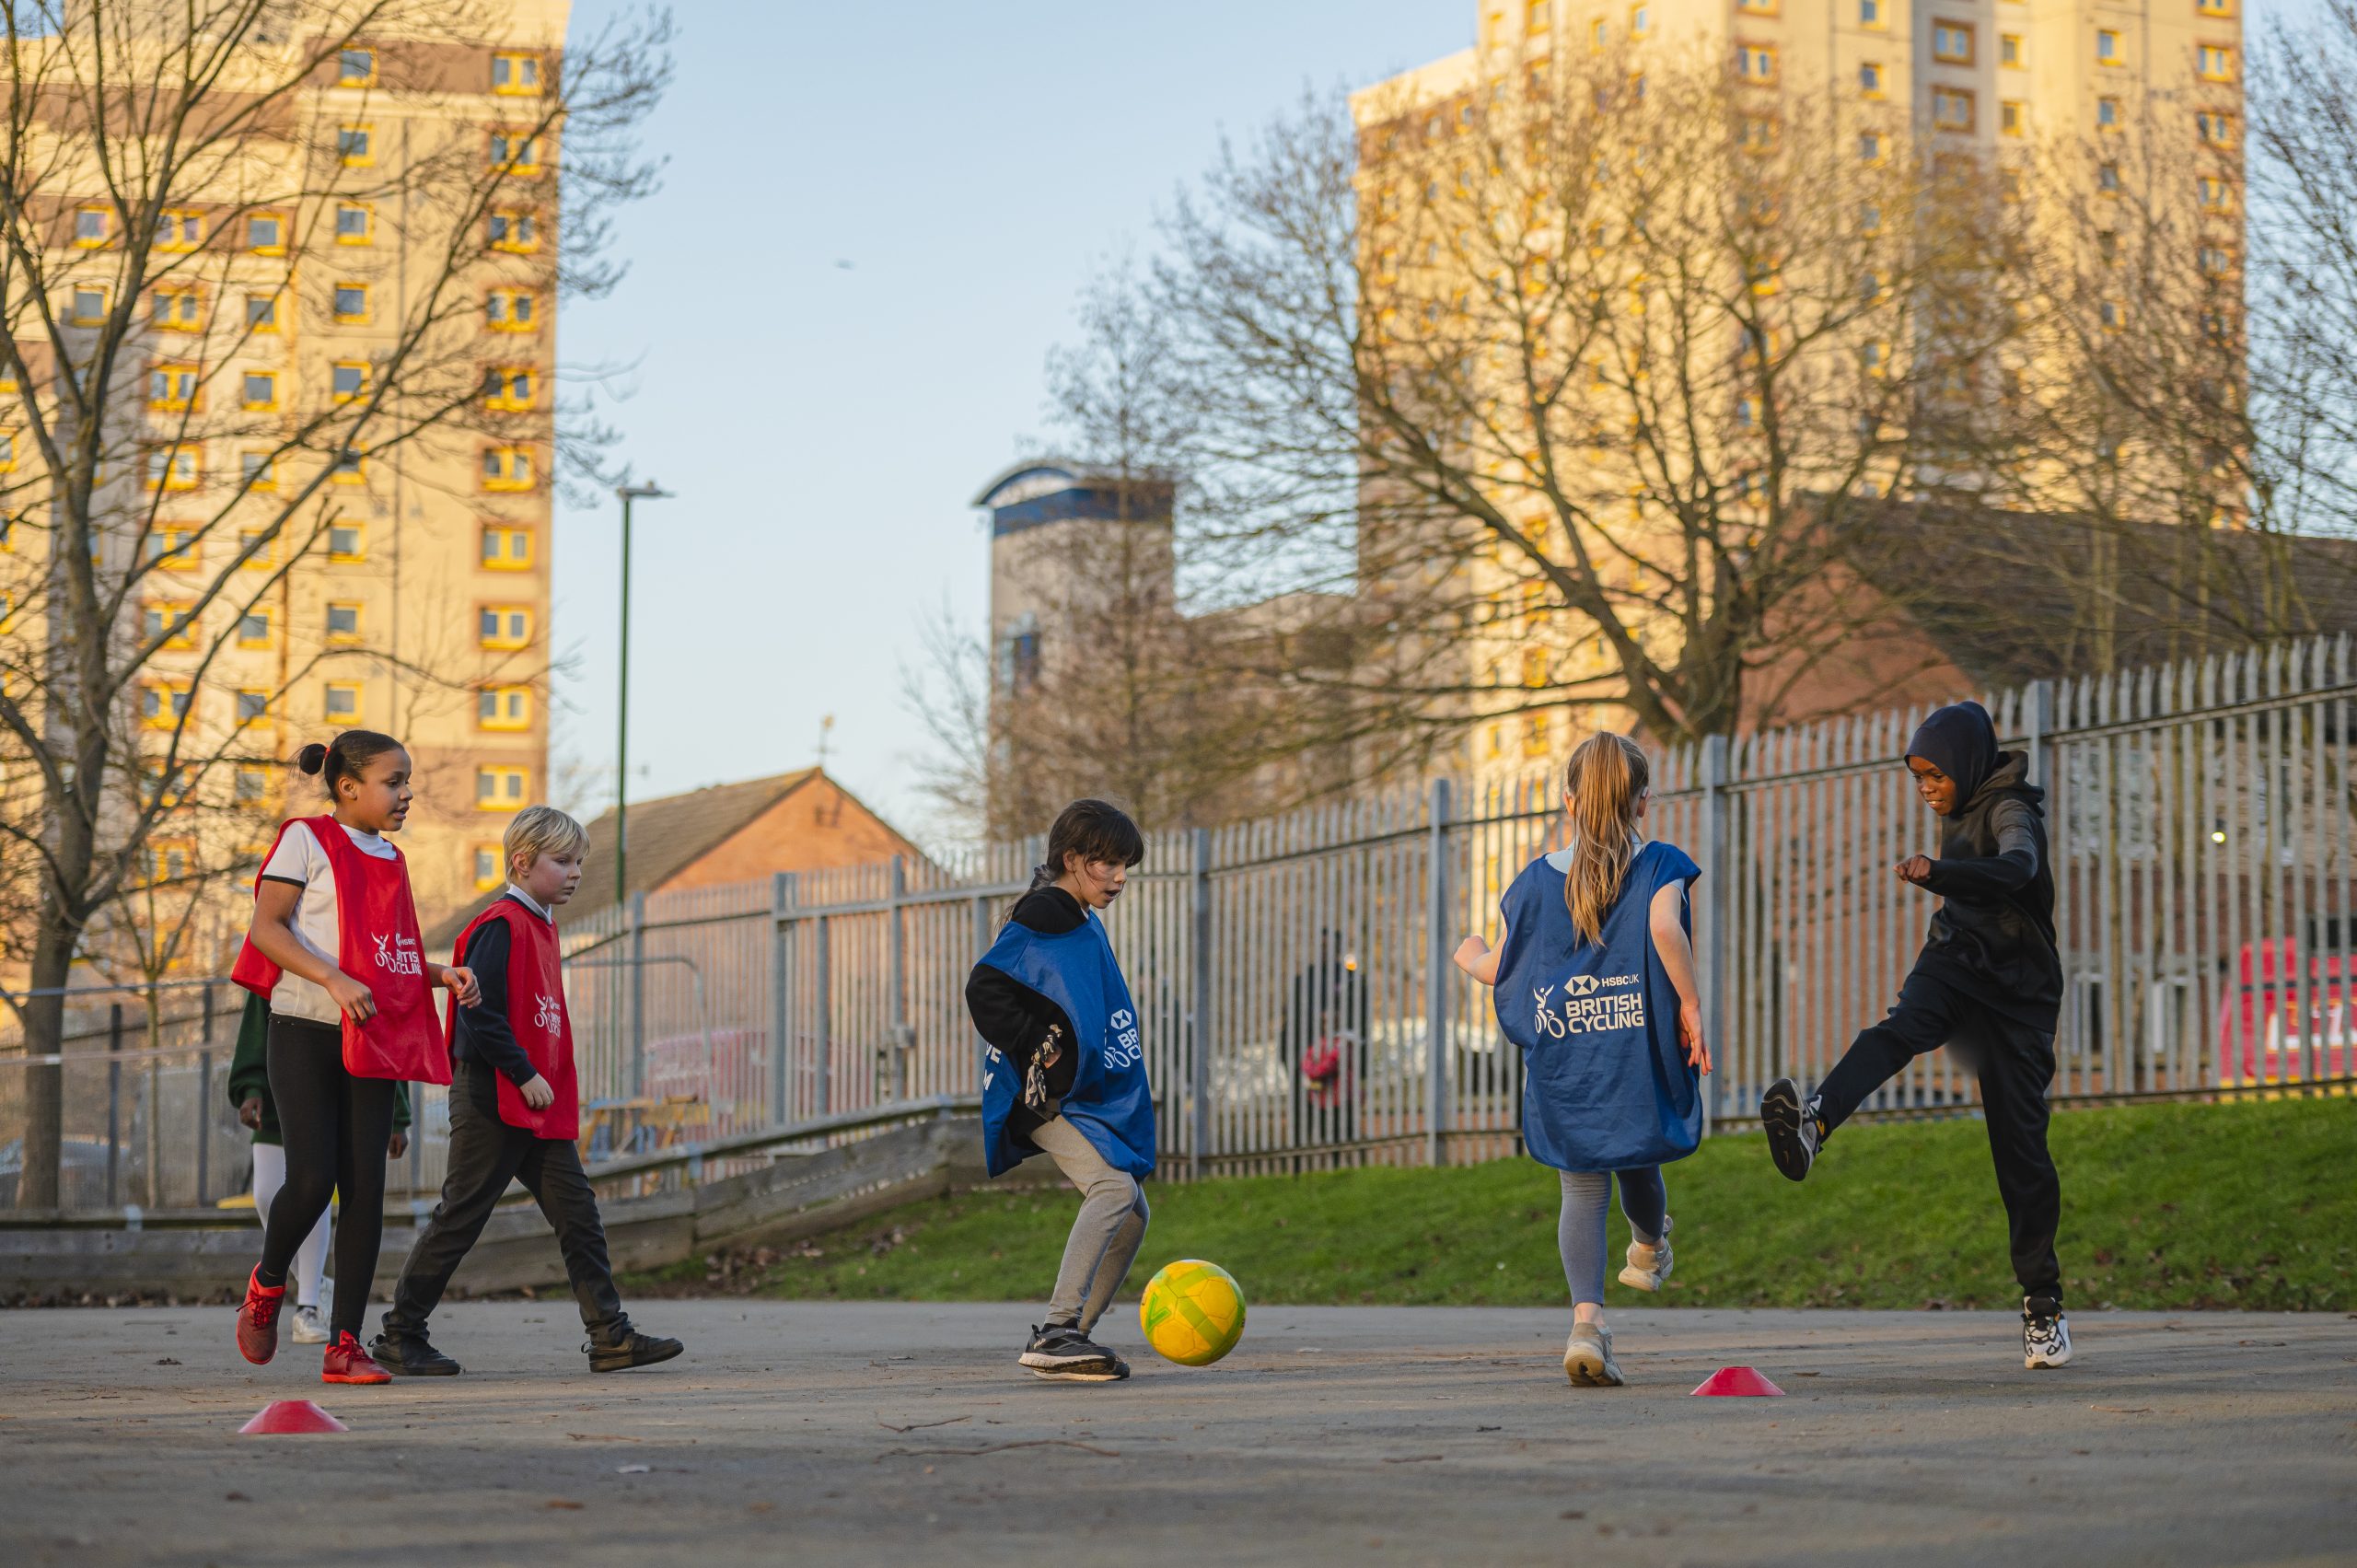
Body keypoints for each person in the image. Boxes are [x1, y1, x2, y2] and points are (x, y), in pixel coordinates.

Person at [1759, 700, 2071, 1370]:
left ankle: (2042, 1306)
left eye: (1936, 775)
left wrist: (1943, 872)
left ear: (1966, 763)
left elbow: (2016, 868)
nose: (1927, 788)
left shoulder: (2012, 809)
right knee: (1898, 1029)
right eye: (1917, 778)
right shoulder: (1957, 808)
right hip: (1955, 960)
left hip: (2018, 995)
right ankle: (1814, 1122)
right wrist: (1945, 883)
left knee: (2019, 1150)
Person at [372, 807, 682, 1376]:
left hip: (531, 1102)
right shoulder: (500, 924)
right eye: (562, 861)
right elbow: (478, 1016)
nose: (575, 873)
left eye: (579, 862)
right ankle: (400, 1333)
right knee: (461, 1215)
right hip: (494, 1094)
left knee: (578, 1213)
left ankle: (610, 1335)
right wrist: (524, 1073)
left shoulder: (540, 924)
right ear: (522, 862)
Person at [1454, 733, 1712, 1388]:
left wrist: (1470, 953)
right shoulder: (1660, 864)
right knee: (1638, 1155)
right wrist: (1689, 1003)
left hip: (1568, 1054)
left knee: (1580, 1183)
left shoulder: (1534, 882)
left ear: (1569, 800)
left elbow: (1504, 967)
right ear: (1643, 802)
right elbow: (1662, 929)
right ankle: (1649, 1247)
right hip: (1632, 1047)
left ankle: (1587, 1324)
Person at [228, 731, 474, 1385]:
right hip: (305, 1028)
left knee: (364, 1190)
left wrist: (436, 974)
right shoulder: (304, 839)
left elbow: (385, 962)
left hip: (370, 1032)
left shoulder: (391, 858)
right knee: (312, 1179)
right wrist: (332, 978)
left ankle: (344, 1344)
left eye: (407, 782)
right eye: (394, 781)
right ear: (348, 786)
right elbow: (267, 929)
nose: (406, 794)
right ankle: (268, 1283)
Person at [964, 800, 1155, 1382]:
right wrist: (1036, 1041)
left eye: (1126, 865)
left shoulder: (1073, 912)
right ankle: (1058, 1330)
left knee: (1131, 1212)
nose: (1120, 877)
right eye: (1109, 864)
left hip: (1069, 1091)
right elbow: (985, 985)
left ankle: (1072, 1337)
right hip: (1044, 1094)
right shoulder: (1048, 910)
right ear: (1073, 859)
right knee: (1111, 1187)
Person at [225, 990, 412, 1344]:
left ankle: (311, 1305)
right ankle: (281, 1281)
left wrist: (398, 1115)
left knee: (335, 1188)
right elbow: (256, 1013)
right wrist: (249, 1084)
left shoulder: (372, 947)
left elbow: (390, 1018)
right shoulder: (291, 940)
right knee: (276, 1193)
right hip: (289, 1069)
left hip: (355, 1059)